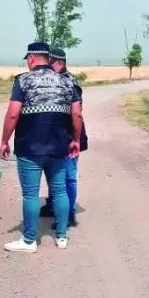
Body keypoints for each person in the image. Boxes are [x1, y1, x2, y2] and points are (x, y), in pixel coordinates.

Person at [0, 42, 83, 253]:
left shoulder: (23, 80)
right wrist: (76, 139)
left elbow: (13, 114)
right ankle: (61, 236)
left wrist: (5, 140)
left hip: (29, 148)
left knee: (31, 194)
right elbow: (76, 113)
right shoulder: (67, 81)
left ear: (31, 58)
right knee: (60, 191)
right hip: (58, 147)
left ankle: (29, 240)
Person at [39, 47, 88, 229]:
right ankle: (54, 205)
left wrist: (74, 139)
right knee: (55, 174)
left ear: (59, 63)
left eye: (49, 63)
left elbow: (76, 113)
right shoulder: (54, 80)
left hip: (69, 135)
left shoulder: (69, 82)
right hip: (55, 136)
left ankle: (68, 214)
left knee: (67, 176)